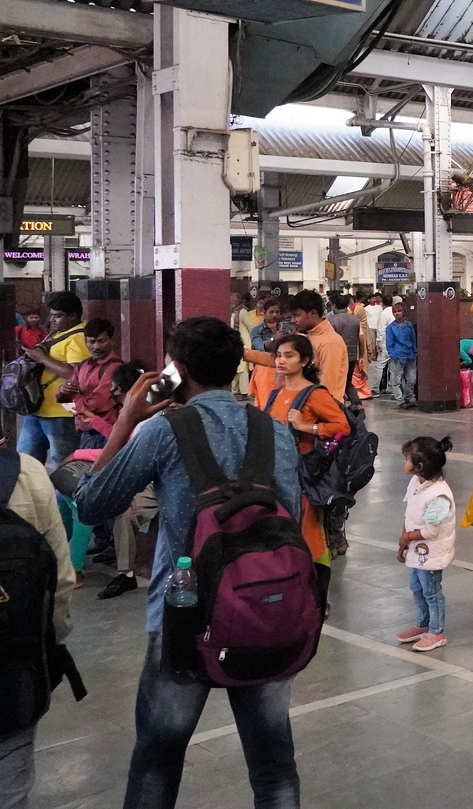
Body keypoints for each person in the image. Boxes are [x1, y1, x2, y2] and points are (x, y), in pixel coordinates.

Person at [74, 317, 304, 808]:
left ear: (177, 369)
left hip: (183, 617)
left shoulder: (162, 429)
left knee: (159, 759)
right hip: (264, 609)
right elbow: (292, 520)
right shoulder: (274, 431)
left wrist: (124, 421)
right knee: (274, 769)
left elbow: (93, 504)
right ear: (238, 364)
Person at [0, 443, 75, 807]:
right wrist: (44, 655)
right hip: (14, 674)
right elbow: (60, 581)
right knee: (11, 792)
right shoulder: (27, 472)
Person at [262, 332, 351, 562]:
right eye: (279, 355)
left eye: (289, 356)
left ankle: (317, 587)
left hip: (306, 478)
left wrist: (308, 427)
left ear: (304, 361)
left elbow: (343, 426)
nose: (281, 360)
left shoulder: (314, 394)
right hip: (278, 475)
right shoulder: (276, 393)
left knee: (310, 534)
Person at [95, 361, 157, 601]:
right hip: (147, 477)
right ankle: (126, 572)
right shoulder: (131, 413)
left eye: (116, 389)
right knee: (122, 508)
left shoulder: (152, 415)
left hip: (163, 478)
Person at [394, 436, 456, 654]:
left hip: (431, 553)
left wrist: (407, 538)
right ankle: (423, 625)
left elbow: (431, 531)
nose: (403, 462)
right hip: (416, 550)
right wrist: (403, 543)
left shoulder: (438, 495)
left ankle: (437, 632)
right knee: (417, 588)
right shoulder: (416, 483)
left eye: (406, 459)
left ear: (419, 466)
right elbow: (409, 513)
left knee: (431, 592)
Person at [18, 291, 90, 467]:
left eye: (58, 316)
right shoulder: (59, 332)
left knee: (63, 464)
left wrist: (40, 358)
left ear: (73, 315)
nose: (52, 320)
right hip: (39, 409)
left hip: (61, 414)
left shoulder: (78, 337)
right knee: (25, 462)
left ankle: (64, 496)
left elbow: (76, 374)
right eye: (51, 316)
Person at [58, 318, 122, 451]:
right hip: (85, 433)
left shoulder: (114, 367)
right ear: (85, 342)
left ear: (112, 341)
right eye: (92, 341)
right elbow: (64, 401)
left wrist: (73, 399)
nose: (96, 347)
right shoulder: (82, 365)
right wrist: (62, 390)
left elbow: (96, 403)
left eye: (102, 341)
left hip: (104, 433)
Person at [326, 293, 365, 406]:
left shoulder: (331, 321)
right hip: (352, 355)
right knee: (347, 381)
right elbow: (361, 338)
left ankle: (337, 404)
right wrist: (361, 355)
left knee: (335, 381)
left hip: (336, 356)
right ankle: (356, 403)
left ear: (334, 305)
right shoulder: (355, 320)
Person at [248, 299, 283, 408]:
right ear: (264, 312)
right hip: (264, 370)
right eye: (271, 312)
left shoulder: (284, 328)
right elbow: (260, 347)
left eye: (277, 312)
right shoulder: (256, 330)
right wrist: (274, 339)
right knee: (266, 403)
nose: (275, 315)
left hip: (283, 369)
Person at [386, 301, 418, 409]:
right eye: (395, 312)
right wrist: (394, 356)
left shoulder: (409, 325)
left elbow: (413, 340)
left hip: (410, 355)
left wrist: (414, 352)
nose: (397, 313)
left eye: (399, 311)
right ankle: (400, 400)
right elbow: (389, 344)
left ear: (403, 312)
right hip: (398, 356)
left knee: (411, 379)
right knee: (396, 380)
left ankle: (409, 397)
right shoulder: (390, 328)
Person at [364, 294, 391, 394]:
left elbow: (381, 329)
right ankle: (393, 388)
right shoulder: (395, 312)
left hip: (384, 343)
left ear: (383, 303)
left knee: (379, 367)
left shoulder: (383, 313)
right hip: (393, 343)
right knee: (394, 368)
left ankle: (375, 388)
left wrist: (379, 342)